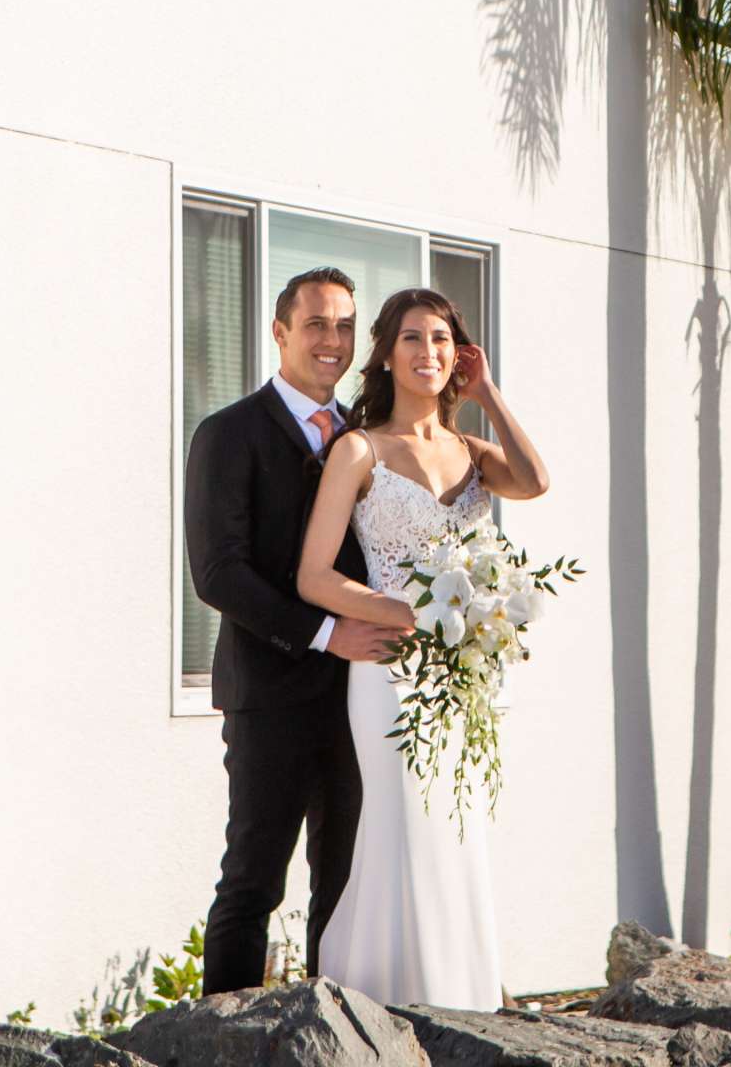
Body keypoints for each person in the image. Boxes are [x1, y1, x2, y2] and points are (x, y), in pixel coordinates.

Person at [297, 286, 550, 1008]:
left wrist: (489, 393)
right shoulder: (359, 449)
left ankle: (460, 1000)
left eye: (442, 339)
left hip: (462, 680)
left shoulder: (472, 453)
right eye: (412, 338)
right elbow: (315, 576)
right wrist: (402, 611)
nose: (428, 352)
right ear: (386, 353)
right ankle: (375, 1001)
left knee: (455, 834)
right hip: (386, 674)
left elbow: (535, 481)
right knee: (400, 826)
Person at [183, 266, 419, 995]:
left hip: (358, 698)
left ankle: (328, 1038)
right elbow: (218, 575)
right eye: (316, 324)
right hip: (269, 695)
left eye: (346, 326)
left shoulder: (365, 440)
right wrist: (325, 634)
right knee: (253, 883)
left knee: (345, 887)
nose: (332, 340)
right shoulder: (228, 434)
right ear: (280, 331)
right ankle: (213, 1043)